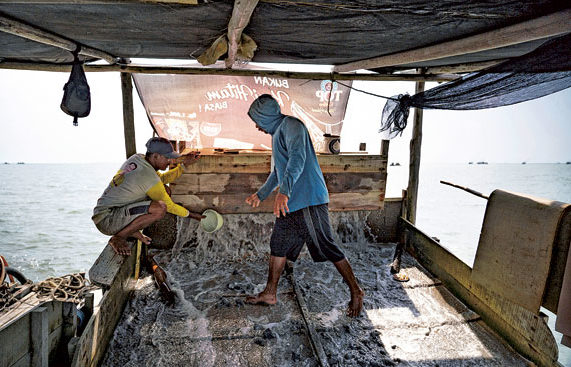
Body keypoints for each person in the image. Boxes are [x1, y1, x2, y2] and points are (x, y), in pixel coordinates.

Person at [244, 94, 365, 317]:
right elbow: (278, 172)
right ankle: (270, 292)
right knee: (278, 244)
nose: (257, 126)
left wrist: (284, 191)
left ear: (266, 116)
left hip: (308, 199)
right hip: (291, 202)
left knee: (327, 246)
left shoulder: (292, 126)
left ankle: (356, 291)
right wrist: (261, 194)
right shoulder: (277, 132)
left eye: (257, 120)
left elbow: (297, 159)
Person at [92, 137, 204, 256]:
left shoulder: (138, 158)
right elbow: (169, 206)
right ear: (155, 156)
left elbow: (161, 179)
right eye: (167, 158)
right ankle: (119, 237)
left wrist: (183, 166)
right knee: (160, 208)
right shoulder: (148, 176)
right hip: (107, 220)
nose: (170, 162)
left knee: (164, 189)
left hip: (107, 212)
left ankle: (132, 231)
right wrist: (193, 215)